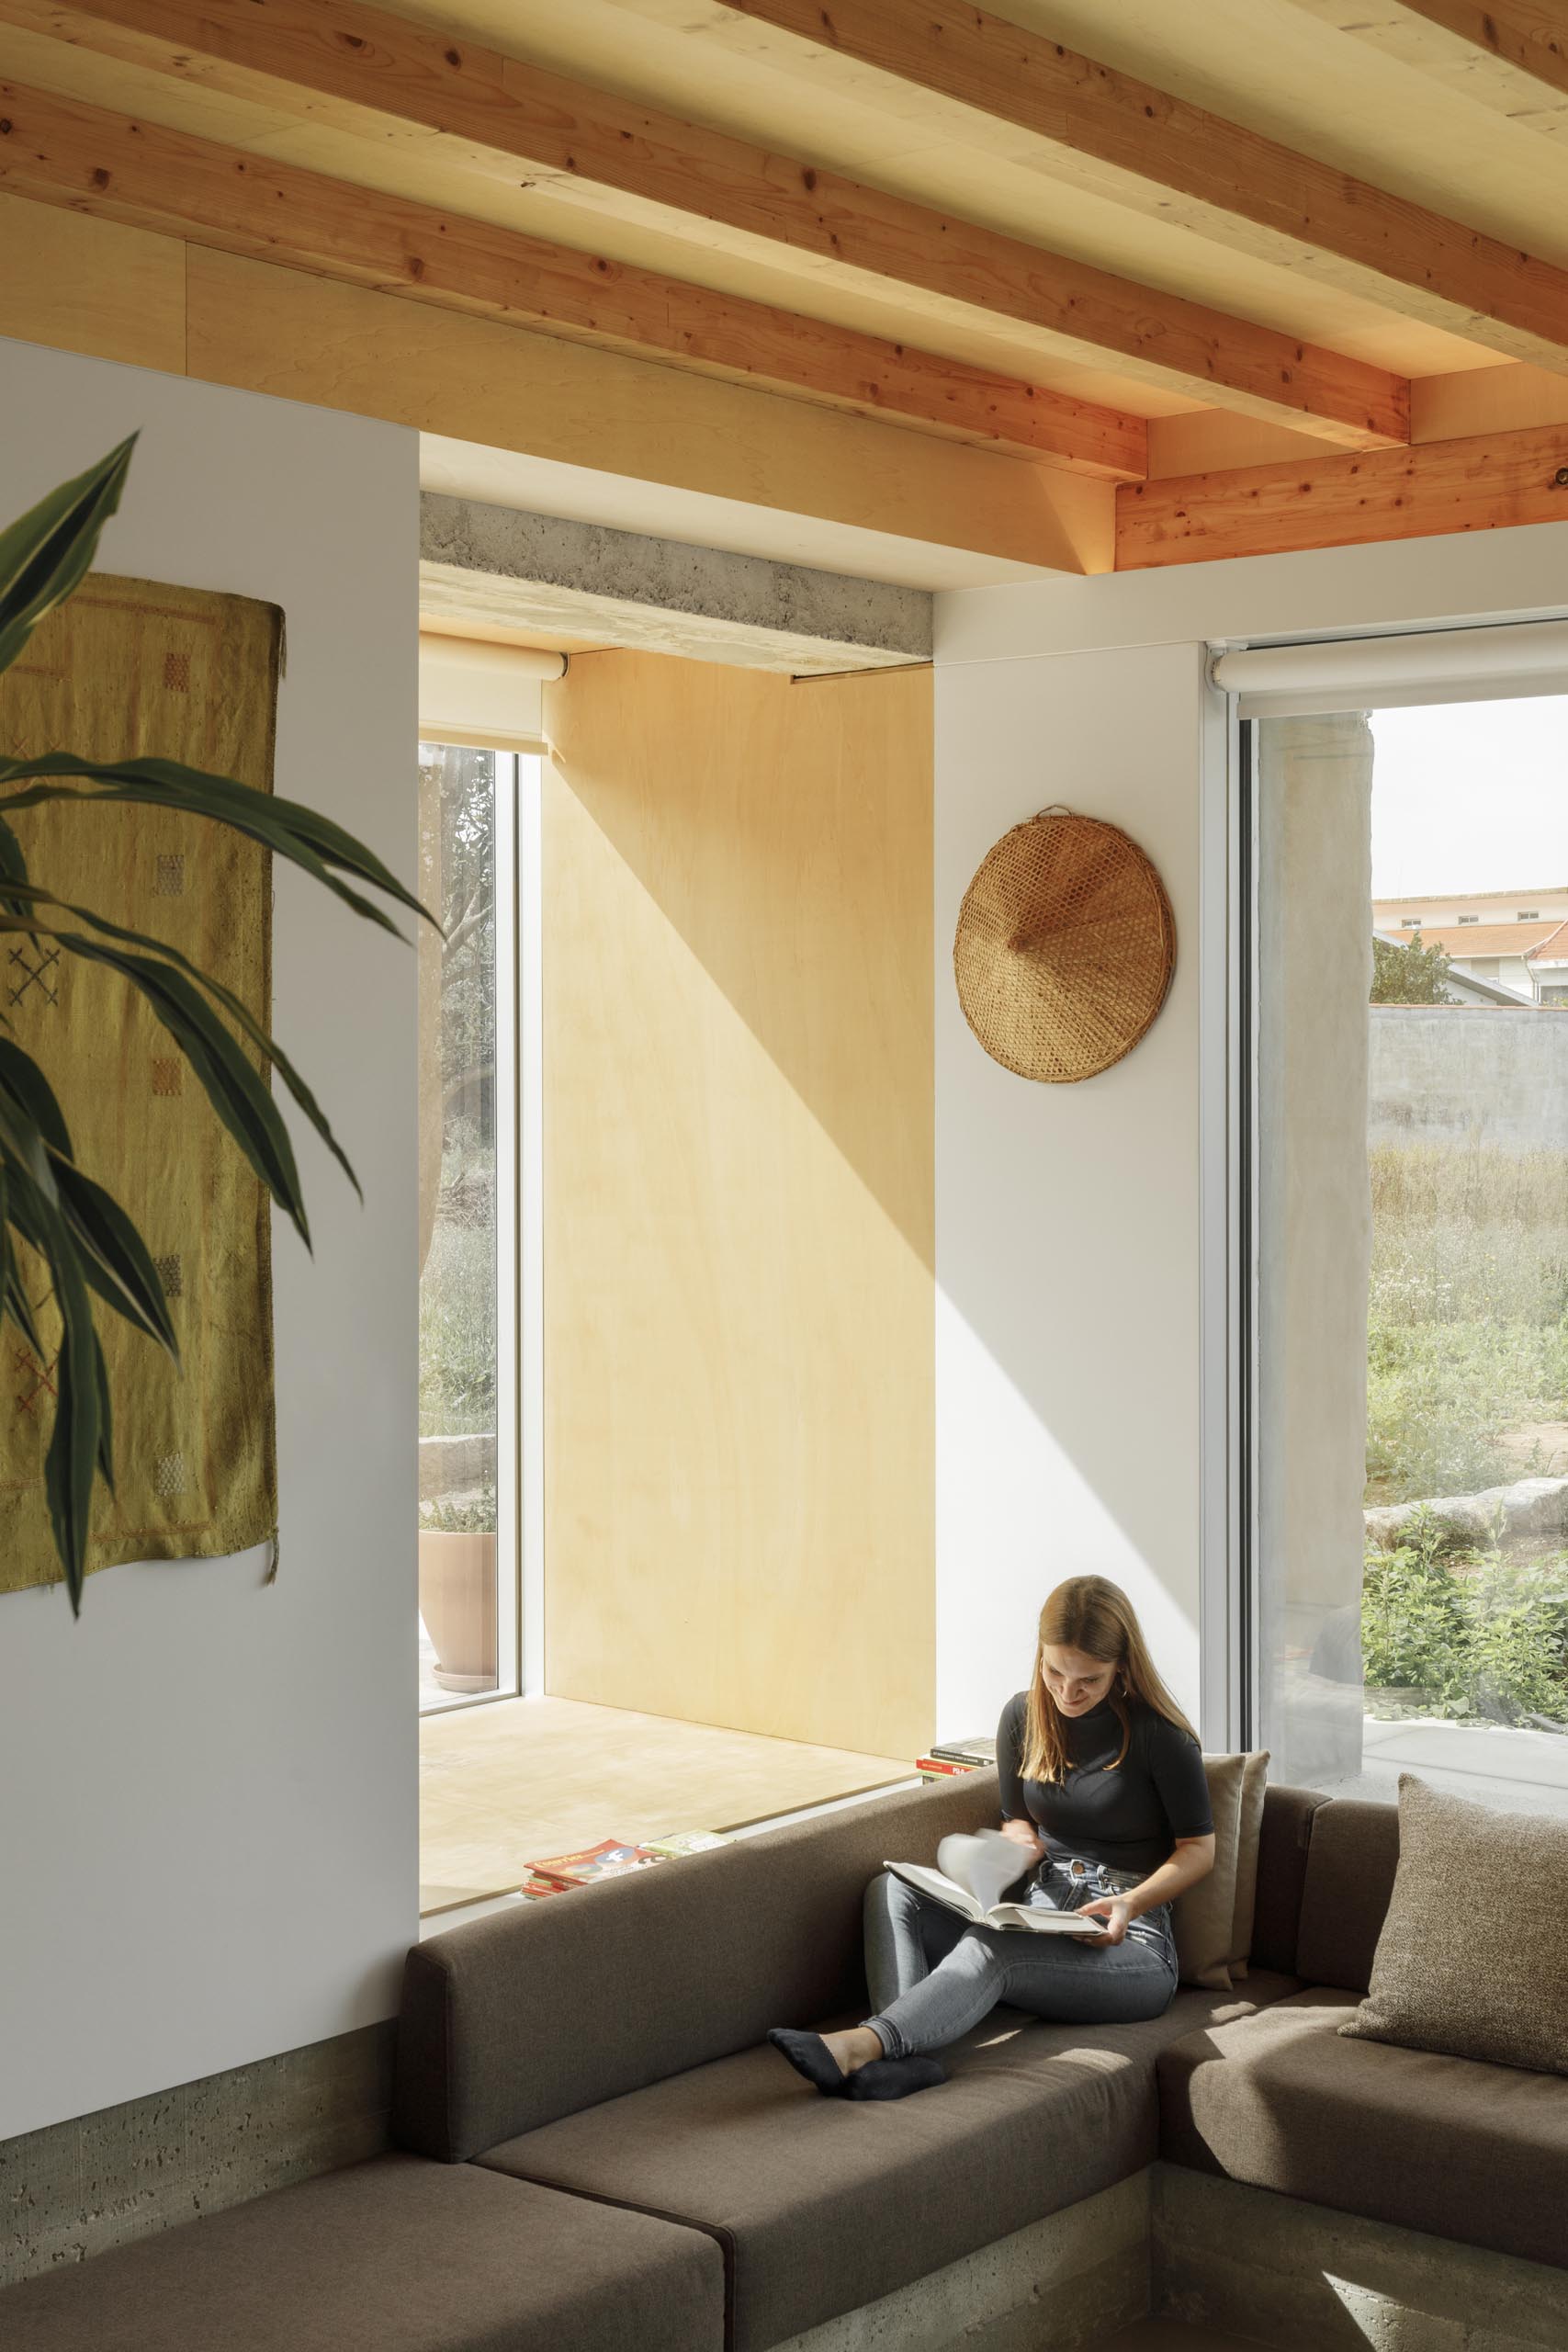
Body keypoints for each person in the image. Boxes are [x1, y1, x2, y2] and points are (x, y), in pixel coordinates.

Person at [768, 1575, 1215, 2100]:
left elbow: (1198, 1851)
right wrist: (1016, 1847)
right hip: (1044, 1913)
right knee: (889, 1890)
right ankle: (908, 2059)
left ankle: (862, 2045)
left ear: (1121, 1667)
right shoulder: (1022, 1717)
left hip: (1134, 1948)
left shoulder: (1161, 1737)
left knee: (996, 1946)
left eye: (1088, 1680)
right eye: (1055, 1672)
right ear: (1040, 1656)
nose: (1068, 1693)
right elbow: (1019, 1818)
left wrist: (1129, 1904)